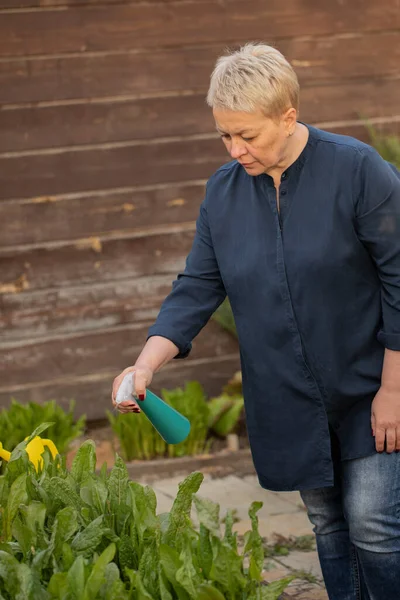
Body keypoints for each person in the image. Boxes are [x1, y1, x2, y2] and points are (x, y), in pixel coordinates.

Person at [112, 43, 400, 599]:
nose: (236, 148)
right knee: (330, 526)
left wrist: (394, 387)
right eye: (225, 134)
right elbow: (198, 285)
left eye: (249, 134)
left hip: (370, 383)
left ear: (288, 115)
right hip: (286, 394)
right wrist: (146, 362)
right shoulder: (222, 192)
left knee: (375, 525)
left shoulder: (359, 169)